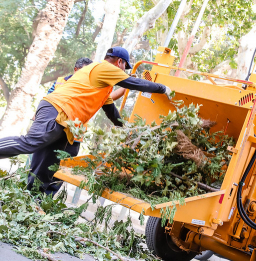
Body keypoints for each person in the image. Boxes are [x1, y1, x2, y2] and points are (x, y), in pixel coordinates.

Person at [0, 46, 171, 195]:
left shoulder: (102, 85)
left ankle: (32, 199)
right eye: (125, 67)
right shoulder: (104, 67)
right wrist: (162, 88)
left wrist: (130, 131)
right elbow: (132, 83)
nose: (123, 71)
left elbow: (112, 113)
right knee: (31, 142)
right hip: (57, 109)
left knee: (49, 162)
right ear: (119, 62)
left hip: (66, 121)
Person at [46, 57, 126, 157]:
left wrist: (125, 87)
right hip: (55, 130)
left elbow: (106, 100)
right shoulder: (62, 82)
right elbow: (48, 104)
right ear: (76, 70)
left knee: (66, 164)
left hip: (75, 137)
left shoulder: (91, 87)